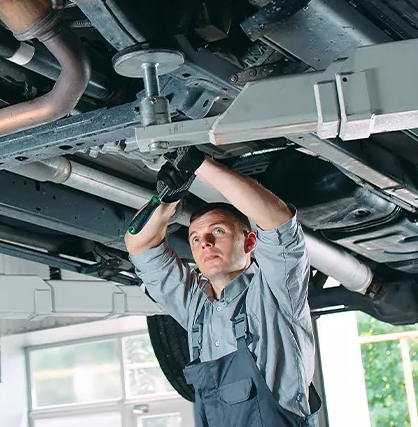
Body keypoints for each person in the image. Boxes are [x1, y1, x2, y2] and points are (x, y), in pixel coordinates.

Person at [125, 148, 317, 426]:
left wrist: (198, 163)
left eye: (217, 231)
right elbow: (138, 245)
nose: (205, 243)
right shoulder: (196, 308)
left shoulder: (276, 293)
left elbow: (279, 222)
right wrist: (167, 198)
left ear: (249, 242)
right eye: (195, 239)